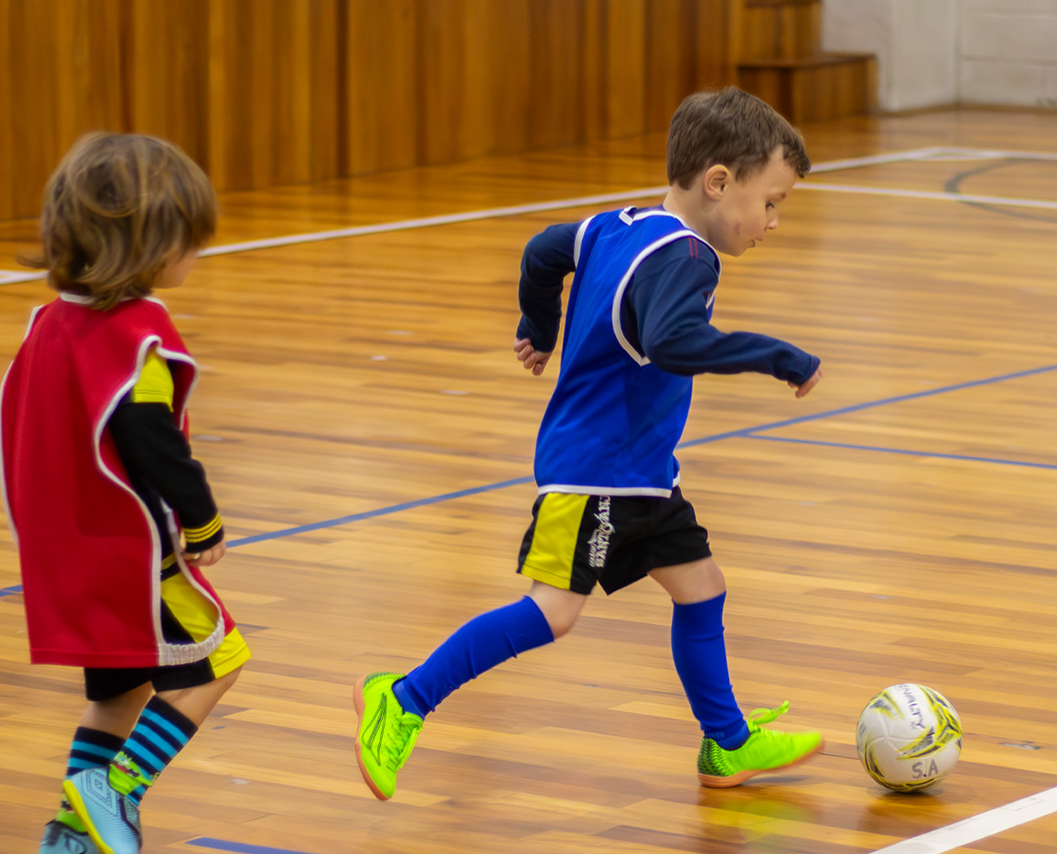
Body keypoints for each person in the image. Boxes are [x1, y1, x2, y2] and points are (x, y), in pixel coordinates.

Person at [352, 88, 825, 800]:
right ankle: (403, 697)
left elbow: (544, 251)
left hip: (642, 471)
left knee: (702, 587)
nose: (774, 221)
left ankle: (727, 742)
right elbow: (674, 341)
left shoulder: (616, 225)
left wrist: (538, 324)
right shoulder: (689, 259)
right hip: (596, 472)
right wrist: (778, 356)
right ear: (718, 181)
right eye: (771, 202)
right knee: (553, 612)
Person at [0, 132, 251, 854]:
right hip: (131, 550)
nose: (197, 253)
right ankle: (118, 790)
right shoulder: (136, 336)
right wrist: (203, 521)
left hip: (68, 547)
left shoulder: (49, 323)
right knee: (219, 662)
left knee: (121, 689)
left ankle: (69, 831)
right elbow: (155, 444)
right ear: (150, 245)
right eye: (190, 239)